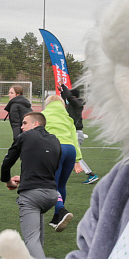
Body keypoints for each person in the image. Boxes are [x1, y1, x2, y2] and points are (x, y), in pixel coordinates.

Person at [0, 111, 61, 258]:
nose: (21, 127)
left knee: (31, 241)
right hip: (51, 194)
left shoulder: (25, 136)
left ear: (36, 124)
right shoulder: (55, 140)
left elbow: (7, 162)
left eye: (25, 123)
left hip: (32, 195)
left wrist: (7, 180)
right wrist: (26, 177)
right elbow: (52, 167)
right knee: (37, 239)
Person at [41, 95, 81, 231]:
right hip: (70, 150)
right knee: (61, 185)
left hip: (55, 148)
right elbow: (74, 139)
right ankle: (56, 217)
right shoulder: (67, 118)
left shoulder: (43, 115)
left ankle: (61, 210)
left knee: (52, 183)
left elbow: (39, 134)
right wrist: (78, 159)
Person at [59, 84, 99, 184]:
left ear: (74, 97)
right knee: (69, 155)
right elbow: (66, 97)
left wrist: (64, 86)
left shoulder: (77, 104)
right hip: (73, 133)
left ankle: (91, 174)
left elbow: (68, 97)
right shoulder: (72, 104)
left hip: (76, 133)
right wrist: (61, 90)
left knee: (74, 156)